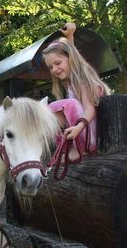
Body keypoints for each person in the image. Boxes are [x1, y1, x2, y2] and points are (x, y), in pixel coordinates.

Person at [42, 22, 112, 160]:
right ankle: (66, 147)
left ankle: (78, 150)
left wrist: (78, 128)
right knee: (54, 108)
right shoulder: (73, 82)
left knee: (65, 105)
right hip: (84, 136)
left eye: (57, 63)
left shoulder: (83, 81)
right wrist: (70, 36)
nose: (54, 69)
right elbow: (70, 52)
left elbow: (89, 109)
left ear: (70, 59)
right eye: (50, 67)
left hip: (89, 139)